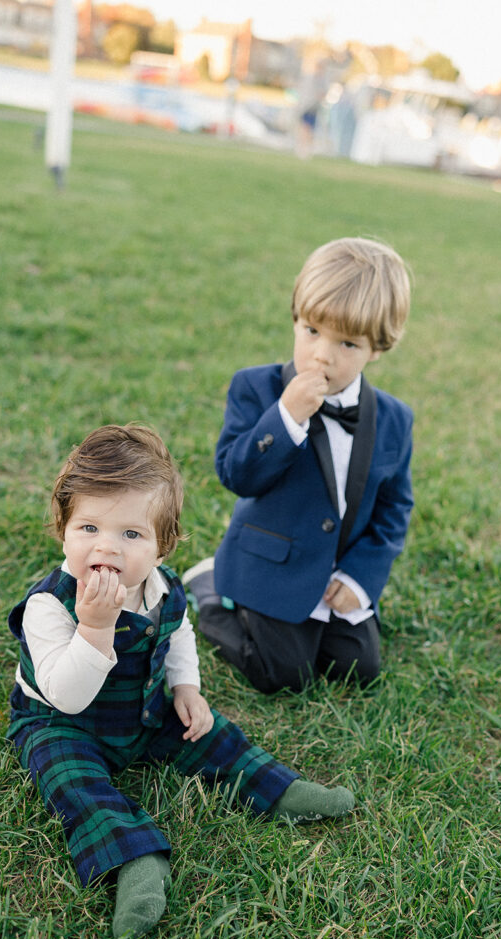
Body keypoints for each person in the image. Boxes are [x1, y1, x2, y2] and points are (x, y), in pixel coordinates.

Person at [7, 423, 356, 939]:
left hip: (142, 708)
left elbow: (180, 633)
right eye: (89, 529)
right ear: (63, 527)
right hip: (62, 722)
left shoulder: (162, 586)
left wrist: (187, 688)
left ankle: (278, 789)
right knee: (70, 779)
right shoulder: (48, 606)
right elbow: (68, 695)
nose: (108, 548)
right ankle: (136, 859)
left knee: (207, 731)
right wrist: (95, 627)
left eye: (131, 534)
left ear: (162, 546)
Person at [184, 237, 413, 694]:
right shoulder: (255, 389)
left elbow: (394, 510)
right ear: (295, 318)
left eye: (347, 342)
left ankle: (329, 607)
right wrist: (285, 418)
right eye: (312, 331)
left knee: (358, 668)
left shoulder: (393, 419)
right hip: (271, 564)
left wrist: (359, 578)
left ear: (378, 348)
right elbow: (236, 474)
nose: (322, 355)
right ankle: (210, 589)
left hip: (333, 572)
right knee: (283, 674)